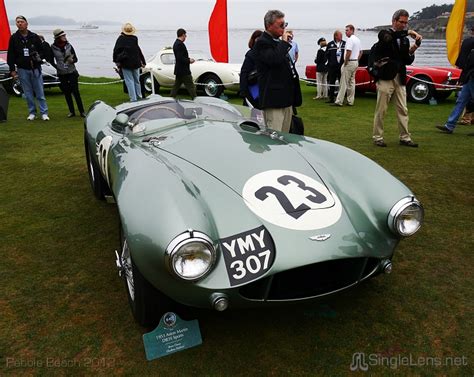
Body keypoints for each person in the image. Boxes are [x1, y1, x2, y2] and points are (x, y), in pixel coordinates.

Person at [371, 9, 422, 147]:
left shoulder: (405, 40)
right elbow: (389, 38)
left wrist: (415, 47)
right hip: (385, 76)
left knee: (403, 109)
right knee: (381, 109)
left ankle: (405, 137)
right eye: (402, 22)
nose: (404, 25)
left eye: (406, 23)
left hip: (399, 76)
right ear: (394, 21)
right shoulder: (384, 33)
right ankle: (377, 137)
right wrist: (408, 32)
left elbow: (406, 59)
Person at [254, 9, 302, 132]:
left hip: (286, 99)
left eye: (285, 25)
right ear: (269, 26)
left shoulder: (278, 43)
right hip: (273, 101)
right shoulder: (262, 43)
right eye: (281, 25)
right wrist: (284, 43)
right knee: (274, 139)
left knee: (284, 138)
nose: (284, 28)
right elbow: (274, 60)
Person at [7, 15, 50, 121]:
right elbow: (11, 55)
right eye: (17, 22)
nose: (19, 24)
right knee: (27, 93)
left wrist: (38, 57)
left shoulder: (34, 37)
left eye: (21, 22)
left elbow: (43, 51)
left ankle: (44, 112)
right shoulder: (14, 38)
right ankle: (32, 112)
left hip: (35, 68)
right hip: (22, 69)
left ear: (26, 23)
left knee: (39, 91)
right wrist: (12, 69)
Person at [436, 25, 474, 134]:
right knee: (461, 100)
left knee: (461, 101)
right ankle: (450, 125)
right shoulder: (469, 43)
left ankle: (450, 125)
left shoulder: (468, 42)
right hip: (469, 76)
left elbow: (463, 62)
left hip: (469, 76)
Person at [49, 29, 85, 117]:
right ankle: (72, 112)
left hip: (72, 71)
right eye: (63, 36)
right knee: (67, 92)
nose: (65, 37)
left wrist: (72, 60)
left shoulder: (69, 46)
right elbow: (50, 59)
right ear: (58, 37)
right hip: (61, 73)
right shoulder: (52, 47)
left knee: (76, 92)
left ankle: (82, 112)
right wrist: (57, 66)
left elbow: (76, 59)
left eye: (65, 35)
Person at [113, 22, 146, 102]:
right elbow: (138, 50)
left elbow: (116, 50)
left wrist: (115, 61)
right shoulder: (134, 38)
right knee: (136, 80)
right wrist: (143, 60)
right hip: (136, 62)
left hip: (126, 63)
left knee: (129, 81)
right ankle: (139, 96)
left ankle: (133, 99)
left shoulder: (121, 39)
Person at [333, 24, 362, 106]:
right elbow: (361, 52)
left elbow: (348, 52)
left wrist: (345, 62)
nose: (346, 32)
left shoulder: (350, 40)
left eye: (347, 30)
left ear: (352, 30)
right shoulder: (358, 40)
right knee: (351, 82)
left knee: (343, 82)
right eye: (345, 30)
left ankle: (339, 101)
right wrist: (356, 60)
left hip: (349, 62)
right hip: (355, 62)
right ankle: (350, 101)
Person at [240, 29, 263, 108]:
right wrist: (243, 92)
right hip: (253, 87)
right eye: (257, 38)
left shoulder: (265, 53)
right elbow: (244, 73)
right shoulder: (251, 54)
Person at [170, 28, 196, 99]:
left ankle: (171, 98)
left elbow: (180, 57)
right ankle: (195, 99)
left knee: (176, 86)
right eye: (185, 35)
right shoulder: (179, 44)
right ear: (183, 35)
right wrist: (189, 60)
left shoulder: (177, 43)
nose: (186, 37)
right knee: (191, 86)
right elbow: (180, 58)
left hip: (179, 70)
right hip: (183, 70)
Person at [325, 30, 345, 103]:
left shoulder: (344, 44)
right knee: (332, 82)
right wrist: (330, 63)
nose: (341, 37)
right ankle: (331, 98)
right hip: (332, 67)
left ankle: (340, 98)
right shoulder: (330, 44)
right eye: (340, 35)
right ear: (336, 36)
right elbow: (327, 55)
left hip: (341, 66)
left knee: (341, 82)